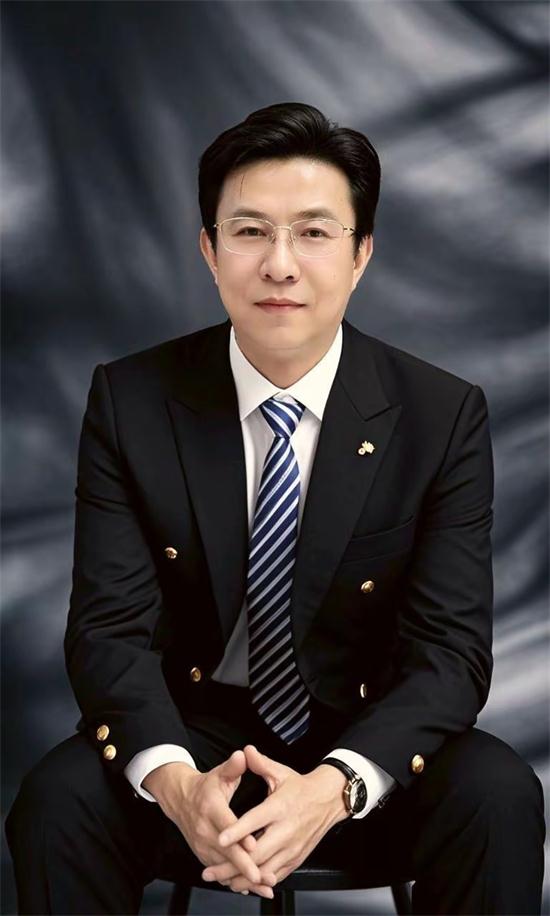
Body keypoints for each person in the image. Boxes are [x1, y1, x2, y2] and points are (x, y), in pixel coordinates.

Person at [5, 102, 545, 915]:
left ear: (361, 254)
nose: (280, 265)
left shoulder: (440, 414)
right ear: (209, 250)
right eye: (251, 232)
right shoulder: (132, 401)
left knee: (499, 795)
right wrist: (178, 785)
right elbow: (108, 631)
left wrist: (336, 785)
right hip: (193, 733)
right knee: (57, 804)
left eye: (314, 232)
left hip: (364, 733)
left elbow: (450, 653)